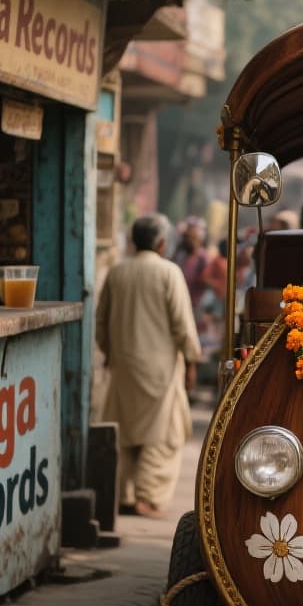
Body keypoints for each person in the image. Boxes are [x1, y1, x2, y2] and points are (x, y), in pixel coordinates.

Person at [96, 214, 202, 519]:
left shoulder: (117, 272)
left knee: (126, 432)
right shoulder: (169, 272)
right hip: (161, 369)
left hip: (123, 366)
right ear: (162, 243)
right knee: (163, 434)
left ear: (133, 241)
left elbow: (101, 322)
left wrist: (111, 352)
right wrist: (191, 361)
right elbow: (183, 324)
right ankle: (148, 497)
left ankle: (124, 495)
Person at [172, 215, 211, 313]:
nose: (189, 240)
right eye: (187, 237)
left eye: (193, 237)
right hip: (178, 302)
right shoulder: (179, 254)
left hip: (194, 305)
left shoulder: (203, 257)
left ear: (200, 238)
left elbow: (206, 282)